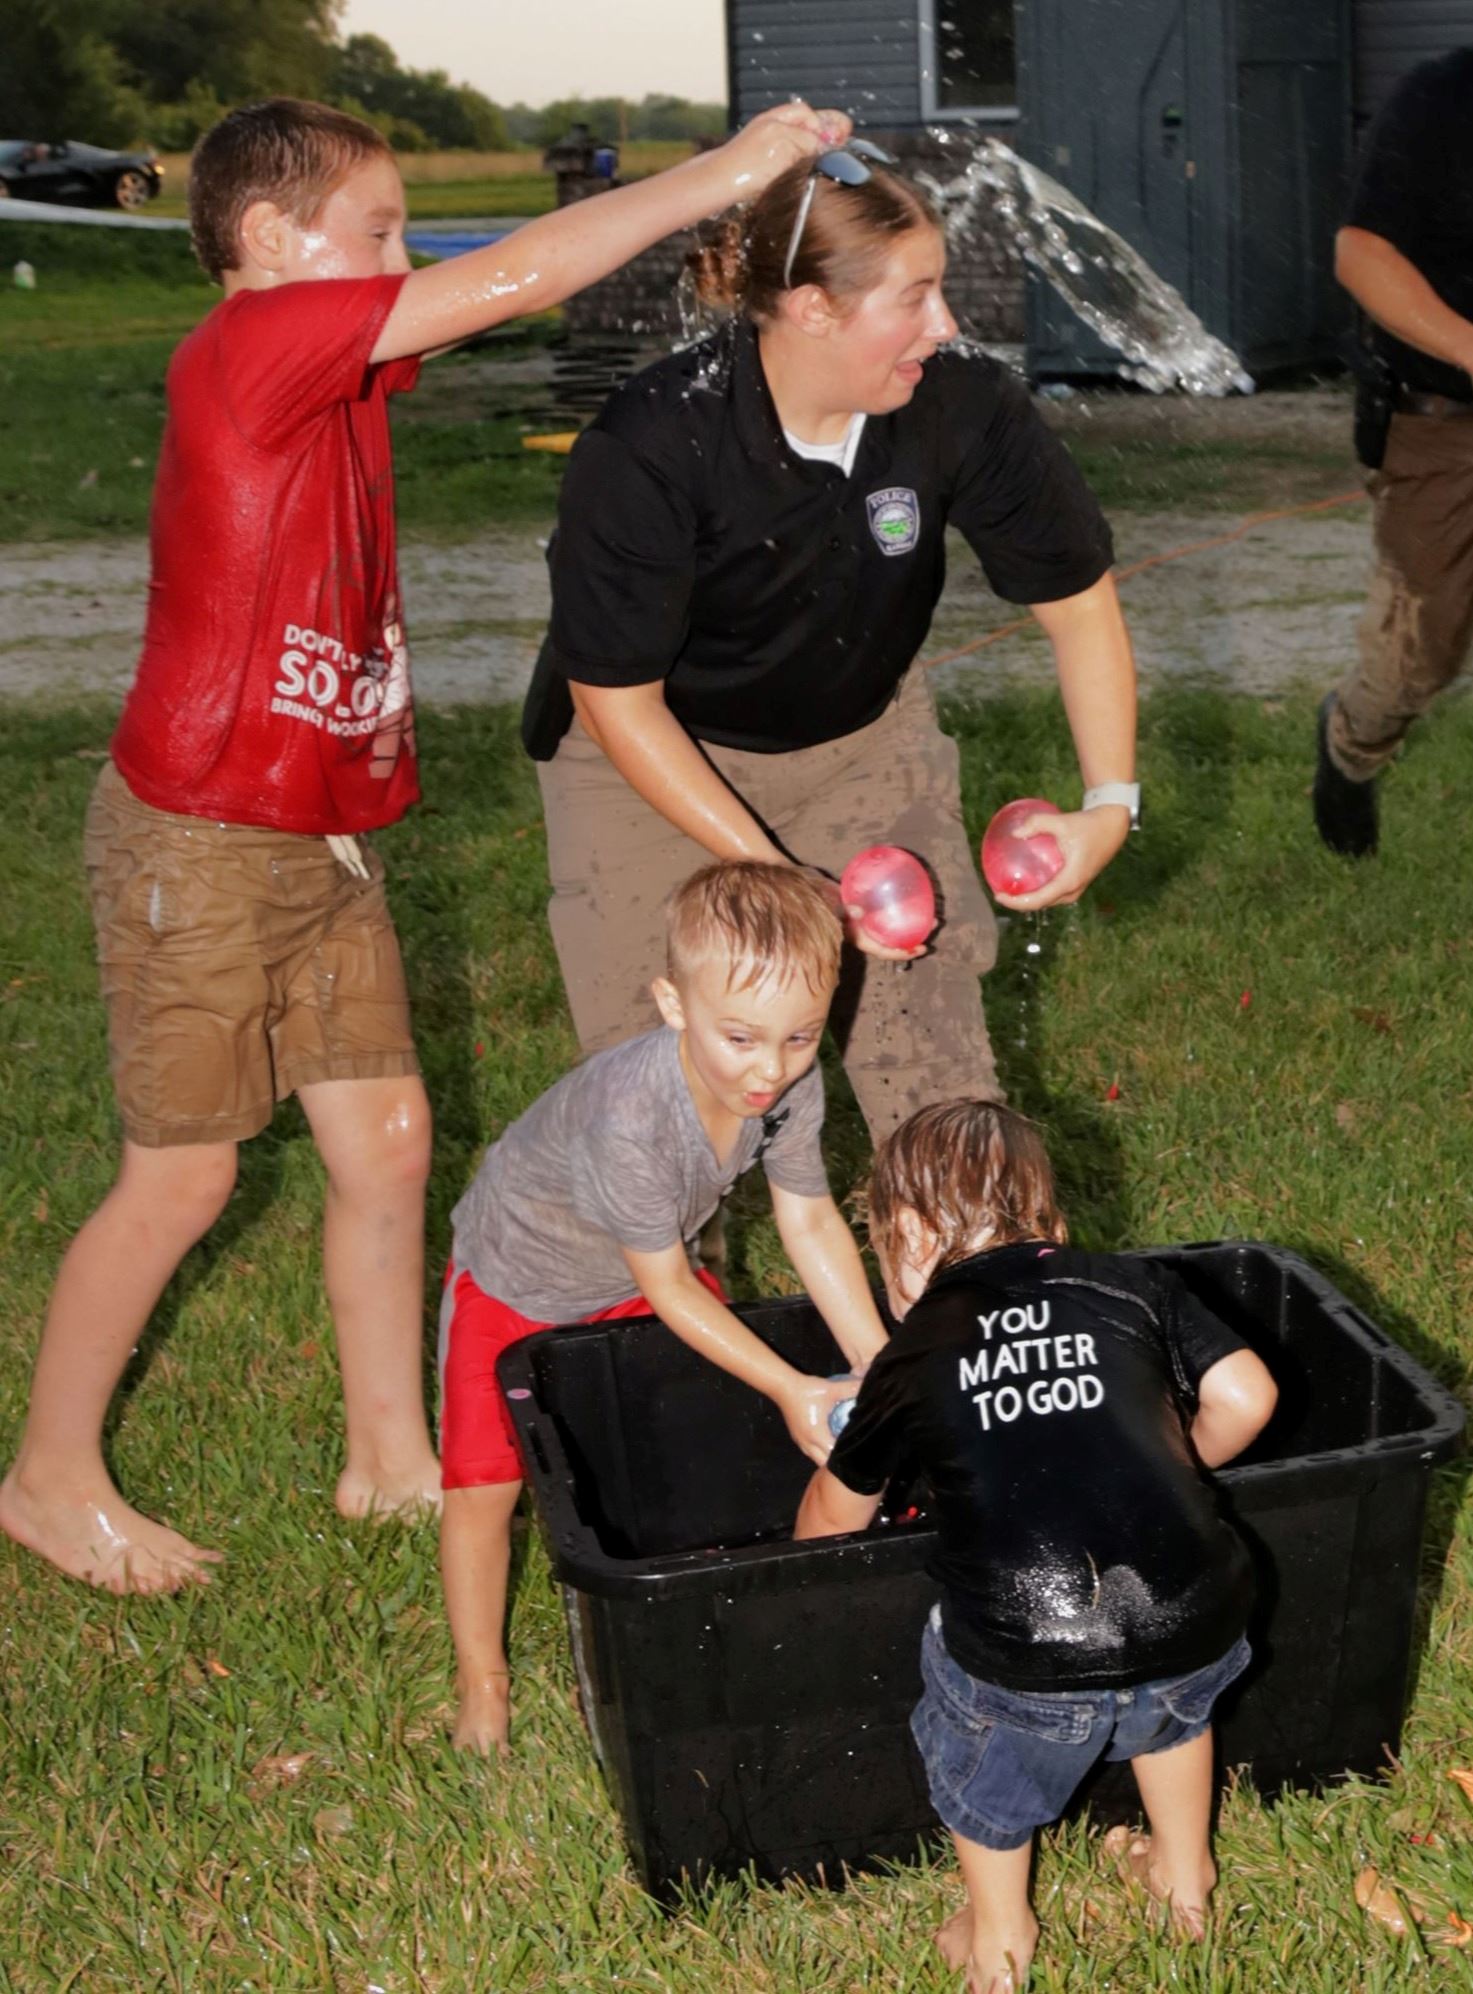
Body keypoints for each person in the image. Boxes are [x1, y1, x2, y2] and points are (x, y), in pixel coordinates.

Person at [0, 93, 853, 1598]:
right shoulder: (252, 349)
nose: (407, 261)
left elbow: (519, 273)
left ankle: (389, 1452)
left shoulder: (333, 366)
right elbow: (519, 274)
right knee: (182, 1178)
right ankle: (49, 1474)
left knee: (388, 1147)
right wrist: (721, 172)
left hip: (318, 843)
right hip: (200, 837)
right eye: (380, 231)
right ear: (269, 242)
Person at [522, 144, 1141, 1143]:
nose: (946, 326)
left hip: (863, 738)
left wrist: (1111, 801)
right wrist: (776, 875)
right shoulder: (654, 441)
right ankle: (660, 1293)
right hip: (647, 764)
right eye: (916, 298)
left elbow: (1080, 605)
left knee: (936, 1062)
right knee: (670, 1105)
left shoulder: (960, 406)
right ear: (812, 308)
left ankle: (962, 1272)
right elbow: (616, 700)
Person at [795, 1101, 1277, 1992]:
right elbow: (1246, 1396)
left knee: (985, 1773)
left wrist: (805, 1557)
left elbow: (840, 1503)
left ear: (904, 1234)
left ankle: (998, 1937)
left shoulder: (913, 1352)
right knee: (1170, 1716)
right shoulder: (1129, 1283)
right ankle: (1184, 1879)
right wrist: (1180, 1464)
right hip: (1189, 1618)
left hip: (1024, 1665)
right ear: (1050, 1222)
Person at [440, 861, 889, 1754]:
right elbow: (672, 1288)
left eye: (799, 1037)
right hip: (514, 1284)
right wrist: (797, 1386)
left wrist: (880, 1360)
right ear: (672, 1004)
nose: (770, 1069)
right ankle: (481, 1681)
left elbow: (807, 1220)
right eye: (742, 1039)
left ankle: (704, 1580)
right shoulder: (630, 1119)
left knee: (703, 1429)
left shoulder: (790, 1081)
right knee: (483, 1490)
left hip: (637, 1275)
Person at [1314, 48, 1473, 857]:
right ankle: (1349, 744)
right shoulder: (1438, 99)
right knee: (1420, 652)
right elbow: (1362, 255)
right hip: (1442, 423)